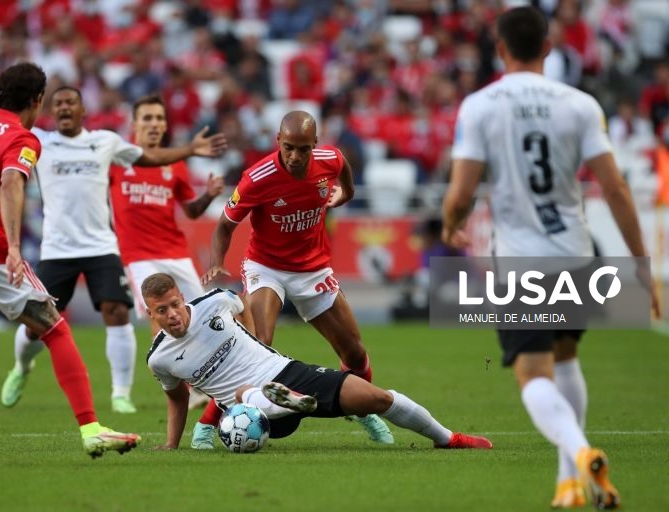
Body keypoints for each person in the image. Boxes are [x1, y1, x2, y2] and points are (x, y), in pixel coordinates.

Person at [441, 7, 659, 509]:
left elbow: (461, 192)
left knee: (532, 376)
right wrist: (641, 266)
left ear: (500, 48)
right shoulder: (579, 104)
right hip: (577, 252)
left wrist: (453, 220)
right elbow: (616, 189)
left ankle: (581, 455)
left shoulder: (480, 105)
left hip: (521, 260)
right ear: (548, 47)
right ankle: (569, 486)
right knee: (566, 359)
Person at [0, 55, 227, 414]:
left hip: (101, 245)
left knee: (117, 311)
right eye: (59, 103)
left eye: (72, 103)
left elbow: (148, 156)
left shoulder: (104, 142)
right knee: (40, 326)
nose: (65, 107)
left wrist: (190, 149)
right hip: (56, 249)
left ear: (84, 111)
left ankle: (120, 394)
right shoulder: (38, 139)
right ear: (46, 108)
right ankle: (22, 367)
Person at [0, 62, 140, 467]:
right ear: (37, 101)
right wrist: (13, 246)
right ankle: (91, 430)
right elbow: (11, 181)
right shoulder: (23, 137)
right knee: (54, 328)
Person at [197, 111, 392, 449]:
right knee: (259, 345)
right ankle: (206, 424)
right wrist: (216, 264)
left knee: (355, 352)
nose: (295, 156)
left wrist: (346, 191)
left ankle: (362, 409)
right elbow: (225, 226)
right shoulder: (257, 178)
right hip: (265, 267)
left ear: (314, 146)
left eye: (303, 149)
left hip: (313, 268)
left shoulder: (328, 160)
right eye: (289, 147)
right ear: (278, 141)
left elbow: (342, 163)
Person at [142, 273, 493, 451]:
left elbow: (241, 303)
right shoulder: (160, 358)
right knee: (243, 393)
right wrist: (172, 444)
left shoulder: (215, 301)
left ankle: (449, 439)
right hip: (251, 417)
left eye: (175, 304)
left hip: (285, 372)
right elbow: (177, 399)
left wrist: (250, 336)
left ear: (181, 297)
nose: (172, 315)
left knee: (377, 398)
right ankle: (275, 401)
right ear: (151, 313)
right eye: (162, 311)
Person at [109, 93, 224, 410]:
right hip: (139, 257)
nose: (155, 124)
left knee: (199, 314)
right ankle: (181, 387)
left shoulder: (175, 163)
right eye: (147, 118)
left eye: (159, 118)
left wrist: (210, 195)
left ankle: (212, 381)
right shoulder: (118, 159)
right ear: (133, 124)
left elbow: (191, 211)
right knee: (160, 315)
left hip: (176, 252)